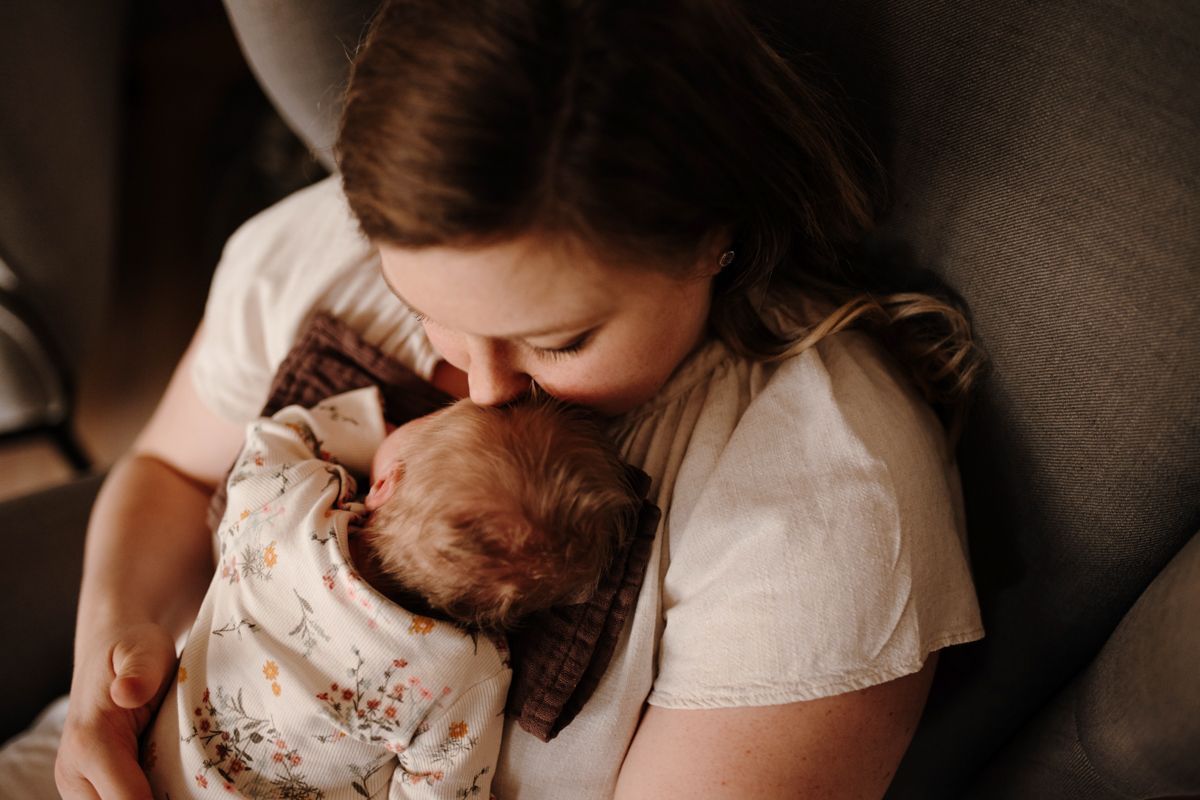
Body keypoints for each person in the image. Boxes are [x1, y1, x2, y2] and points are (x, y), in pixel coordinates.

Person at [37, 0, 989, 797]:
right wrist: (101, 697)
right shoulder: (320, 250)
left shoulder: (820, 506)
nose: (484, 388)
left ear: (713, 236)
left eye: (560, 338)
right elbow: (166, 469)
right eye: (426, 311)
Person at [142, 386, 638, 799]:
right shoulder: (463, 673)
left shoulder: (288, 505)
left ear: (385, 484)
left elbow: (282, 431)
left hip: (146, 769)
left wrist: (361, 420)